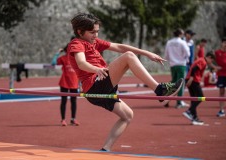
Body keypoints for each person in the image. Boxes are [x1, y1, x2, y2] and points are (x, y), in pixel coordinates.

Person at [67, 13, 184, 151]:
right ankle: (159, 89)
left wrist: (147, 53)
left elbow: (120, 47)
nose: (96, 35)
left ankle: (106, 149)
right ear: (80, 32)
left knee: (127, 115)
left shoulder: (94, 43)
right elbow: (81, 63)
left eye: (97, 32)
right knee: (128, 57)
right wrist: (96, 69)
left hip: (100, 88)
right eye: (92, 32)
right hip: (94, 85)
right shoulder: (76, 43)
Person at [183, 52, 215, 125]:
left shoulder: (201, 60)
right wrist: (191, 78)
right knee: (201, 97)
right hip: (193, 80)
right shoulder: (203, 61)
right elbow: (194, 68)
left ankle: (194, 118)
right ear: (209, 57)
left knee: (194, 99)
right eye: (211, 60)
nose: (211, 62)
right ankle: (189, 111)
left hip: (191, 79)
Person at [52, 46, 80, 126]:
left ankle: (73, 119)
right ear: (66, 50)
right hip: (64, 83)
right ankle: (63, 119)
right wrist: (57, 53)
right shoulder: (63, 58)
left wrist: (80, 84)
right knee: (64, 101)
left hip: (74, 83)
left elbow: (81, 71)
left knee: (73, 102)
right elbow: (53, 63)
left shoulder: (77, 59)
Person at [165, 28, 190, 108]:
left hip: (173, 65)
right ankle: (179, 102)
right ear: (180, 34)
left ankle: (166, 98)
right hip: (181, 64)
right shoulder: (182, 42)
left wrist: (171, 60)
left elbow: (166, 54)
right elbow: (188, 53)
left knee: (173, 82)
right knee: (181, 83)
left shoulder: (169, 42)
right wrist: (183, 58)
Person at [215, 37, 226, 117]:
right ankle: (221, 110)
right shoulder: (217, 52)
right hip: (221, 75)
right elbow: (207, 60)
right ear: (222, 43)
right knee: (221, 92)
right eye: (224, 42)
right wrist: (214, 67)